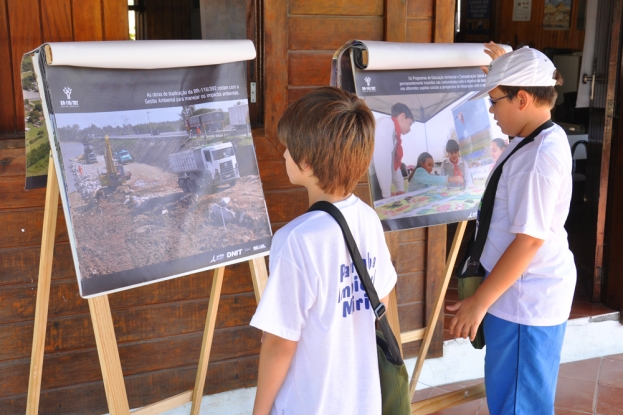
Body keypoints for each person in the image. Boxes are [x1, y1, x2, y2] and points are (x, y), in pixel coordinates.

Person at [250, 87, 397, 415]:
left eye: (288, 148)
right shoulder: (369, 220)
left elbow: (280, 343)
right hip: (362, 401)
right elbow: (381, 302)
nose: (283, 155)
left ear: (307, 163)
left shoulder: (296, 240)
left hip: (310, 404)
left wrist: (259, 412)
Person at [447, 45, 574, 415]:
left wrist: (479, 303)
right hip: (519, 296)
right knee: (514, 398)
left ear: (522, 99)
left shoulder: (539, 157)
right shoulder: (537, 136)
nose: (491, 110)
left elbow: (530, 240)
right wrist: (507, 63)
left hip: (524, 301)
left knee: (519, 405)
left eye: (495, 100)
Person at [369, 102, 414, 200]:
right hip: (364, 176)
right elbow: (383, 161)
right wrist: (386, 194)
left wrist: (400, 189)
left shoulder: (394, 136)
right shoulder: (387, 124)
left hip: (371, 175)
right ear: (402, 116)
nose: (410, 129)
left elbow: (394, 165)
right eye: (410, 124)